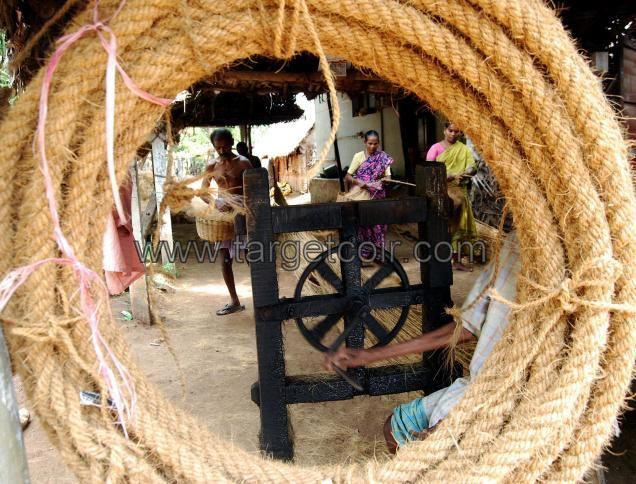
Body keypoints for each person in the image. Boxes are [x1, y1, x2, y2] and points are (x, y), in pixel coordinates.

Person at [324, 232, 520, 453]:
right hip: (480, 384)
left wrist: (453, 424)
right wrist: (371, 355)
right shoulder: (513, 247)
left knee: (447, 452)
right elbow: (464, 328)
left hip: (516, 395)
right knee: (395, 428)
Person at [202, 128, 252, 316]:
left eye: (225, 146)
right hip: (224, 215)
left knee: (252, 256)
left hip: (243, 212)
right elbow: (203, 192)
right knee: (224, 259)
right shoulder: (211, 166)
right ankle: (234, 301)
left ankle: (262, 296)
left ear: (231, 143)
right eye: (218, 147)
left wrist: (244, 204)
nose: (222, 150)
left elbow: (255, 188)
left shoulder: (243, 163)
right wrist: (217, 202)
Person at [426, 122, 477, 271]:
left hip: (460, 193)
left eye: (457, 132)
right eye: (450, 130)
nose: (453, 134)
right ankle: (440, 261)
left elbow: (472, 167)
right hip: (440, 192)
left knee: (459, 227)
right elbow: (429, 172)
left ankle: (457, 261)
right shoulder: (435, 149)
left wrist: (467, 171)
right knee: (442, 227)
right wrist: (449, 176)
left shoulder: (464, 149)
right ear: (444, 130)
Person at [344, 130, 393, 260]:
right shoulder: (358, 156)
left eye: (375, 144)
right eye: (370, 143)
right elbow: (348, 176)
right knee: (364, 225)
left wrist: (386, 180)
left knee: (378, 225)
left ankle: (379, 254)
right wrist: (360, 182)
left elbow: (388, 175)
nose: (372, 146)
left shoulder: (383, 157)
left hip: (377, 196)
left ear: (379, 143)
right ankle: (365, 254)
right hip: (362, 196)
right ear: (365, 142)